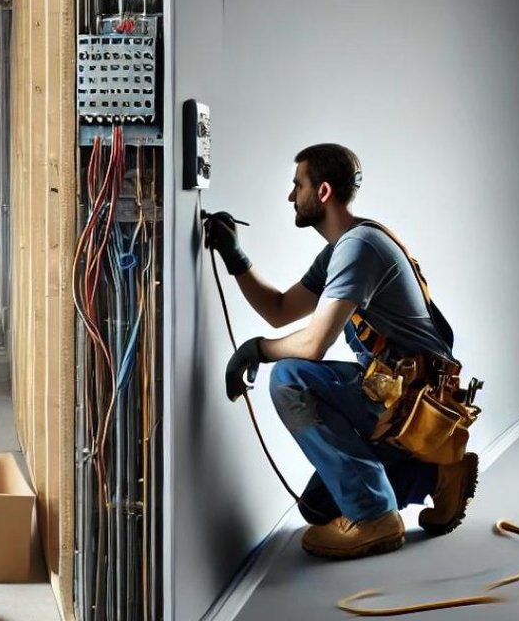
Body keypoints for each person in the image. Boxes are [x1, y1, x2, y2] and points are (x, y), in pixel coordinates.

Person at [204, 143, 479, 560]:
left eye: (298, 185)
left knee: (289, 377)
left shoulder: (358, 247)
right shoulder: (340, 251)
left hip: (412, 405)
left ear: (324, 192)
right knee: (318, 508)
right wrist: (234, 255)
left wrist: (257, 351)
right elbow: (280, 310)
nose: (291, 195)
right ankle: (438, 471)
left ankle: (375, 516)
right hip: (392, 404)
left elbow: (314, 344)